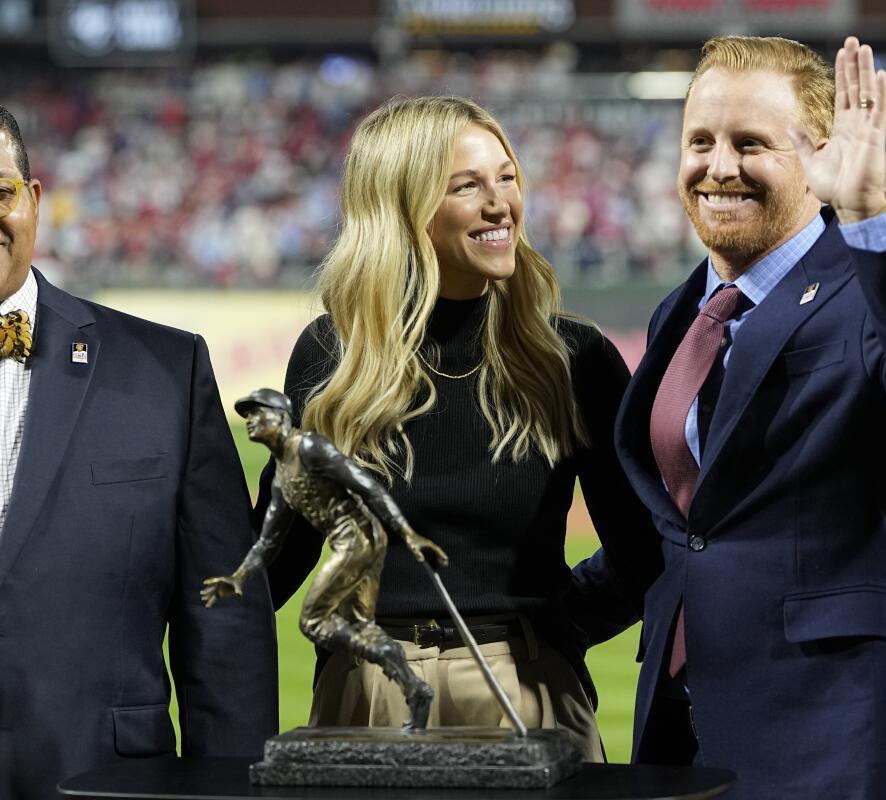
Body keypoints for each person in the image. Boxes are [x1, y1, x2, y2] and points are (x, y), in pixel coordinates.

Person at [608, 35, 886, 799]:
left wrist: (870, 217)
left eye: (749, 142)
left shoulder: (876, 287)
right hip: (682, 734)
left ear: (818, 155)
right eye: (701, 141)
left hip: (837, 731)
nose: (719, 166)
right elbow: (684, 529)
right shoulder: (681, 314)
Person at [261, 95, 657, 762]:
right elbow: (282, 554)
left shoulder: (573, 359)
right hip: (366, 687)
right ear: (403, 207)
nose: (500, 203)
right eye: (467, 186)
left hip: (525, 684)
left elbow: (644, 552)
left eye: (506, 177)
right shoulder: (331, 355)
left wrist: (555, 627)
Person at [0, 106, 277, 800]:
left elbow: (227, 628)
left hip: (97, 782)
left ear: (33, 201)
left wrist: (229, 788)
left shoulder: (163, 371)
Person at [202, 388, 448, 730]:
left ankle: (406, 677)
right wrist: (239, 577)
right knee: (361, 629)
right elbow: (271, 540)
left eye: (258, 415)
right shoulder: (283, 475)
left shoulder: (310, 447)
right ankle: (415, 688)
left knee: (314, 622)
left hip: (357, 541)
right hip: (356, 542)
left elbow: (368, 488)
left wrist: (408, 535)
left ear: (281, 418)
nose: (250, 423)